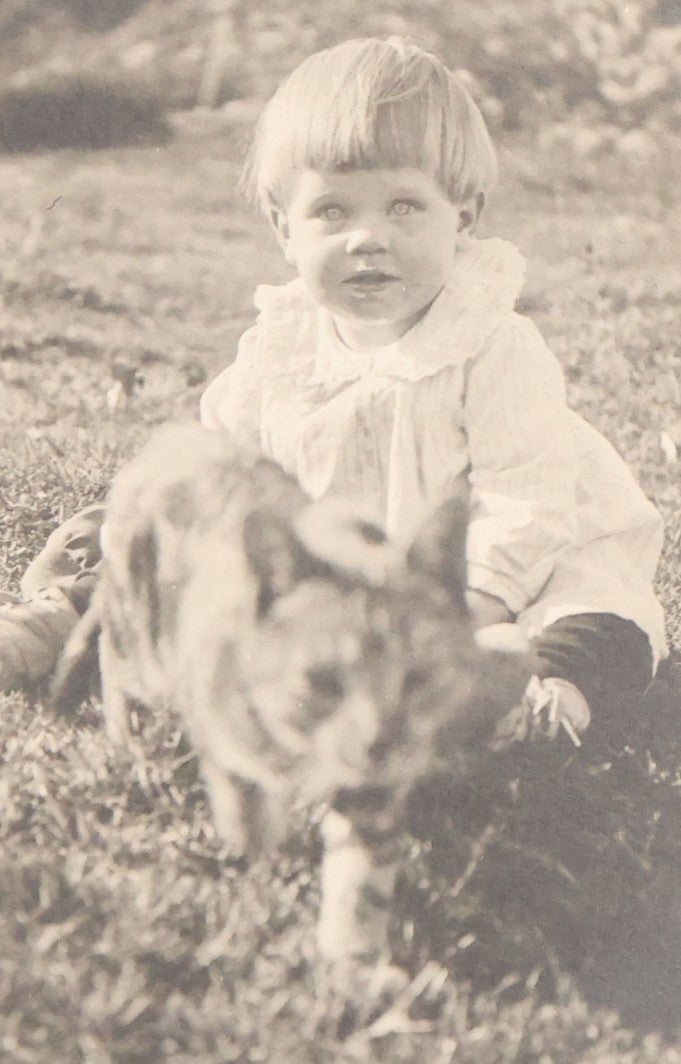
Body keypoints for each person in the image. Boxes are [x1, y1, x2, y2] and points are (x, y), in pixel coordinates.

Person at [0, 36, 666, 742]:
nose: (367, 238)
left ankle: (529, 702)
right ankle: (54, 623)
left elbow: (525, 499)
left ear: (462, 216)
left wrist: (472, 604)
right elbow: (215, 466)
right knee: (162, 544)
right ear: (285, 228)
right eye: (333, 212)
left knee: (591, 618)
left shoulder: (491, 347)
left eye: (404, 206)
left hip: (507, 566)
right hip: (335, 580)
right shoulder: (282, 349)